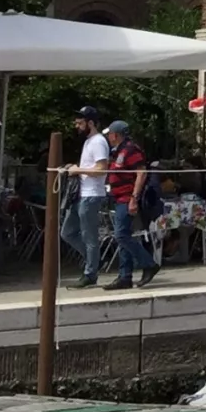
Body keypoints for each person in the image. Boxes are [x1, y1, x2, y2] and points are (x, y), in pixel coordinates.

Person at [104, 119, 158, 291]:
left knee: (121, 236)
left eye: (110, 134)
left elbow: (141, 172)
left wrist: (134, 198)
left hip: (127, 198)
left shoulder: (130, 150)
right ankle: (124, 276)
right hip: (119, 197)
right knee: (123, 237)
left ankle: (149, 264)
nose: (109, 137)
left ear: (116, 134)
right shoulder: (118, 151)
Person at [68, 105, 113, 288]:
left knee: (89, 236)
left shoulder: (98, 142)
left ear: (91, 123)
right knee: (67, 232)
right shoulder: (88, 141)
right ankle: (94, 260)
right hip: (82, 194)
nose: (77, 126)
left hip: (92, 194)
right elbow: (90, 166)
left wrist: (78, 170)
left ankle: (90, 272)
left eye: (80, 123)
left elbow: (102, 169)